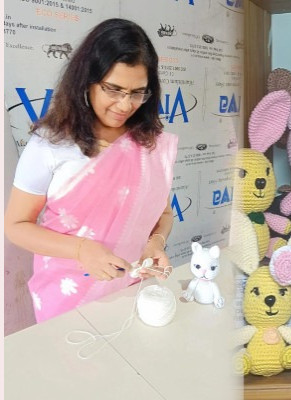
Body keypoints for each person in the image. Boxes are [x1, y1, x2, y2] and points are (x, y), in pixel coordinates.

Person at [4, 19, 178, 323]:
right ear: (87, 80)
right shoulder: (52, 144)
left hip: (131, 287)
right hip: (67, 295)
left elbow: (163, 214)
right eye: (114, 89)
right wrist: (81, 249)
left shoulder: (150, 144)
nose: (125, 104)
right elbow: (16, 225)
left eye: (138, 92)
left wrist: (156, 243)